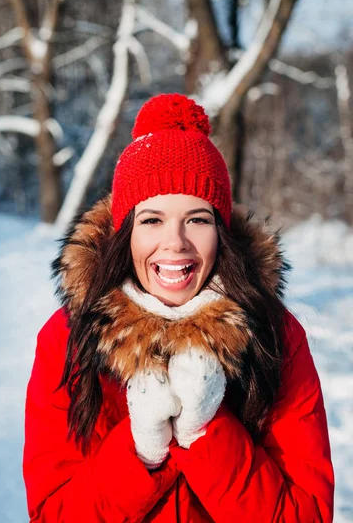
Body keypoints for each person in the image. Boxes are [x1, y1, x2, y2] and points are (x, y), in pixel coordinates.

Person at [23, 93, 334, 522]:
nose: (176, 242)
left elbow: (306, 515)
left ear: (220, 230)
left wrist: (206, 432)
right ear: (125, 232)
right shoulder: (68, 339)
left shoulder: (275, 337)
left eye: (198, 219)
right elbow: (51, 515)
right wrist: (138, 450)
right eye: (152, 220)